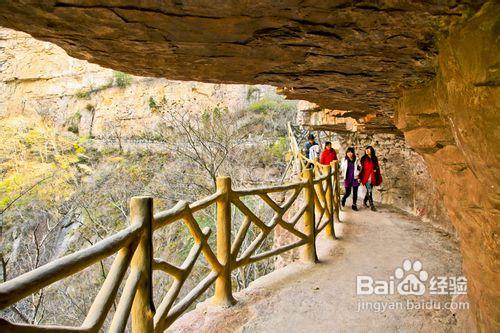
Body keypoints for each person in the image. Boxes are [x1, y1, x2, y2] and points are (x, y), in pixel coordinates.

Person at [358, 145, 382, 211]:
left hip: (373, 176)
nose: (367, 150)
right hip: (366, 177)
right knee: (369, 190)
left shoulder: (374, 158)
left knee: (369, 190)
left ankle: (364, 201)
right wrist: (359, 177)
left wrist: (375, 169)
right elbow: (360, 168)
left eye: (368, 149)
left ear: (372, 150)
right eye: (366, 149)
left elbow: (377, 166)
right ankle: (372, 205)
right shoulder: (363, 158)